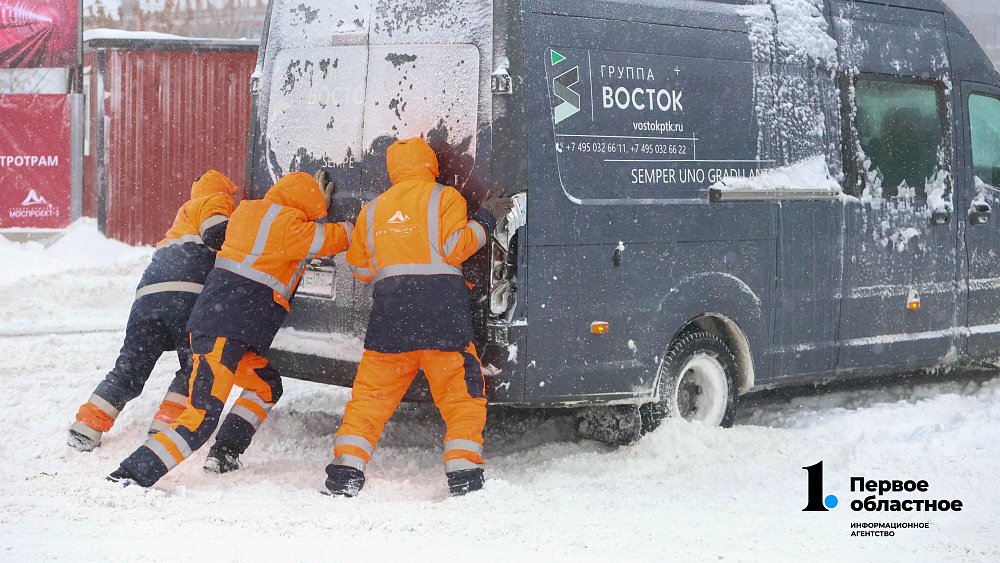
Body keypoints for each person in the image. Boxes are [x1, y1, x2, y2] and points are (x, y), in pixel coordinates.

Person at [108, 171, 352, 487]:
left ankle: (223, 454)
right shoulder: (288, 228)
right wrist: (367, 219)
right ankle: (132, 473)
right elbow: (339, 237)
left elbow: (284, 243)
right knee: (200, 418)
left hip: (224, 331)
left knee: (266, 386)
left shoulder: (247, 214)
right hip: (224, 335)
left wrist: (310, 208)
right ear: (307, 204)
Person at [324, 137, 513, 498]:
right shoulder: (445, 197)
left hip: (390, 322)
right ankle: (463, 475)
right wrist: (487, 217)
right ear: (431, 165)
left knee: (370, 398)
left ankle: (345, 471)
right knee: (461, 397)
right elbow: (457, 247)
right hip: (442, 320)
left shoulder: (373, 209)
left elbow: (360, 269)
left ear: (393, 169)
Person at [68, 170, 238, 452]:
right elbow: (217, 231)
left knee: (130, 368)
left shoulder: (180, 220)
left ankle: (86, 427)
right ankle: (165, 428)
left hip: (147, 299)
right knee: (193, 366)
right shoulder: (214, 201)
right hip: (186, 297)